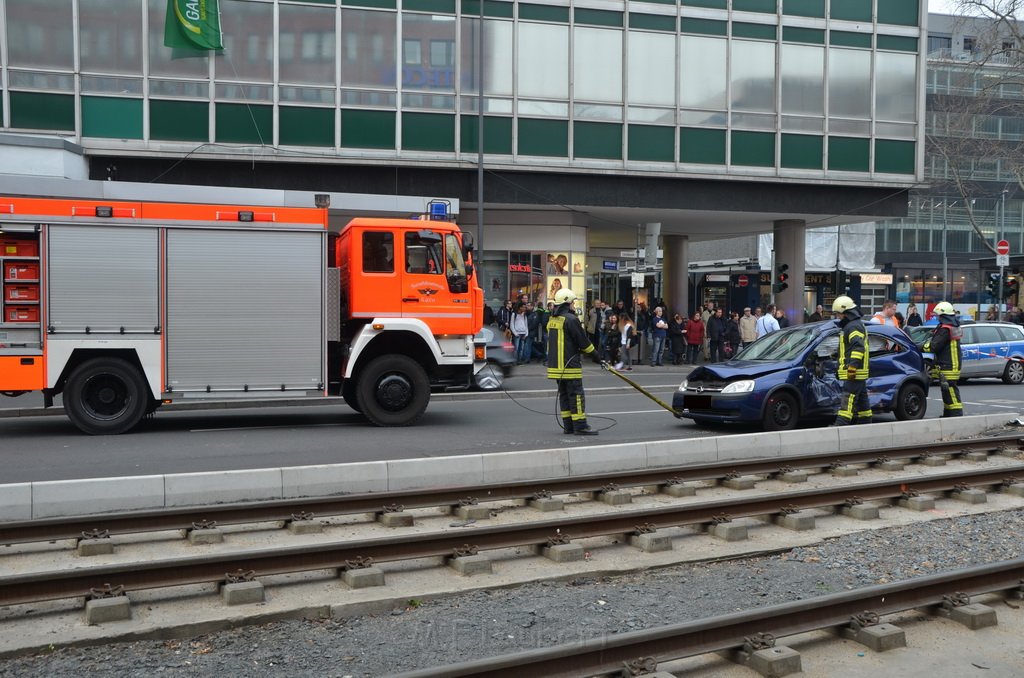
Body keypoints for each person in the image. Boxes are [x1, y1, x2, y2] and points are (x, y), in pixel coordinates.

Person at [546, 288, 598, 435]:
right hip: (569, 365)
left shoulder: (552, 320)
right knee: (576, 396)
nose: (574, 306)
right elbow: (583, 342)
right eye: (572, 303)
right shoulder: (571, 319)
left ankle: (568, 426)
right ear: (566, 303)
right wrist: (596, 355)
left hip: (556, 367)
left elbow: (566, 341)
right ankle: (580, 426)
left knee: (564, 396)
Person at [832, 295, 871, 426]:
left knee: (847, 401)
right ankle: (866, 425)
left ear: (846, 313)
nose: (838, 317)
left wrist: (852, 367)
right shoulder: (852, 325)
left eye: (839, 314)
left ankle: (840, 426)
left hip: (854, 372)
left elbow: (858, 348)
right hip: (856, 372)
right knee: (863, 403)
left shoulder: (853, 326)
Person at [925, 300, 964, 418]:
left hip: (948, 364)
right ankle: (949, 414)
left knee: (950, 390)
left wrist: (922, 346)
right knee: (947, 390)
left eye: (938, 315)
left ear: (943, 315)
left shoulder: (945, 329)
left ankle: (956, 415)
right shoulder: (952, 326)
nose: (937, 317)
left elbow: (934, 346)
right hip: (952, 363)